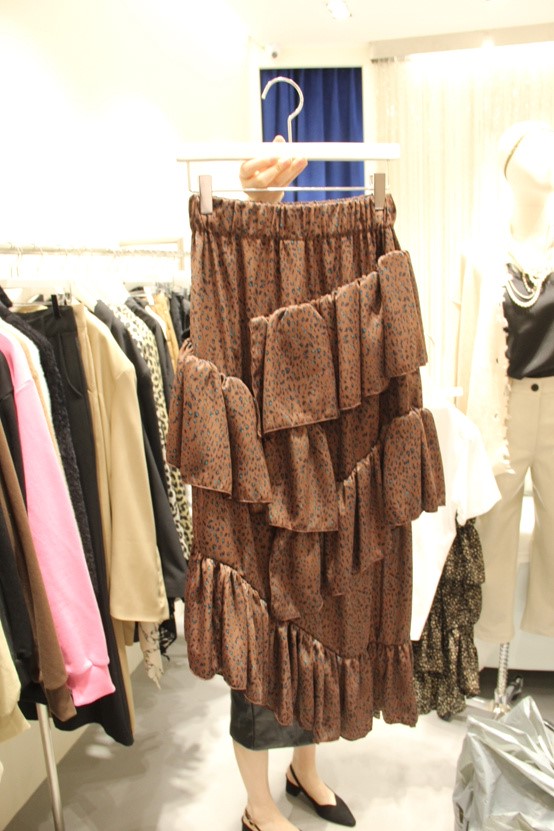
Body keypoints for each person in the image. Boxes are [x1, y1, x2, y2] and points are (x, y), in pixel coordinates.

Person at [230, 137, 356, 831]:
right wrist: (255, 202)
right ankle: (257, 804)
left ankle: (305, 770)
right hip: (257, 463)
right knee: (259, 635)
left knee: (318, 618)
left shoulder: (330, 255)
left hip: (318, 457)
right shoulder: (233, 258)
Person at [456, 121, 554, 646]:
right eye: (534, 148)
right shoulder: (481, 254)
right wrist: (463, 432)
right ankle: (492, 635)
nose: (548, 156)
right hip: (504, 406)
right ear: (509, 166)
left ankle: (548, 626)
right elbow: (467, 344)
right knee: (493, 527)